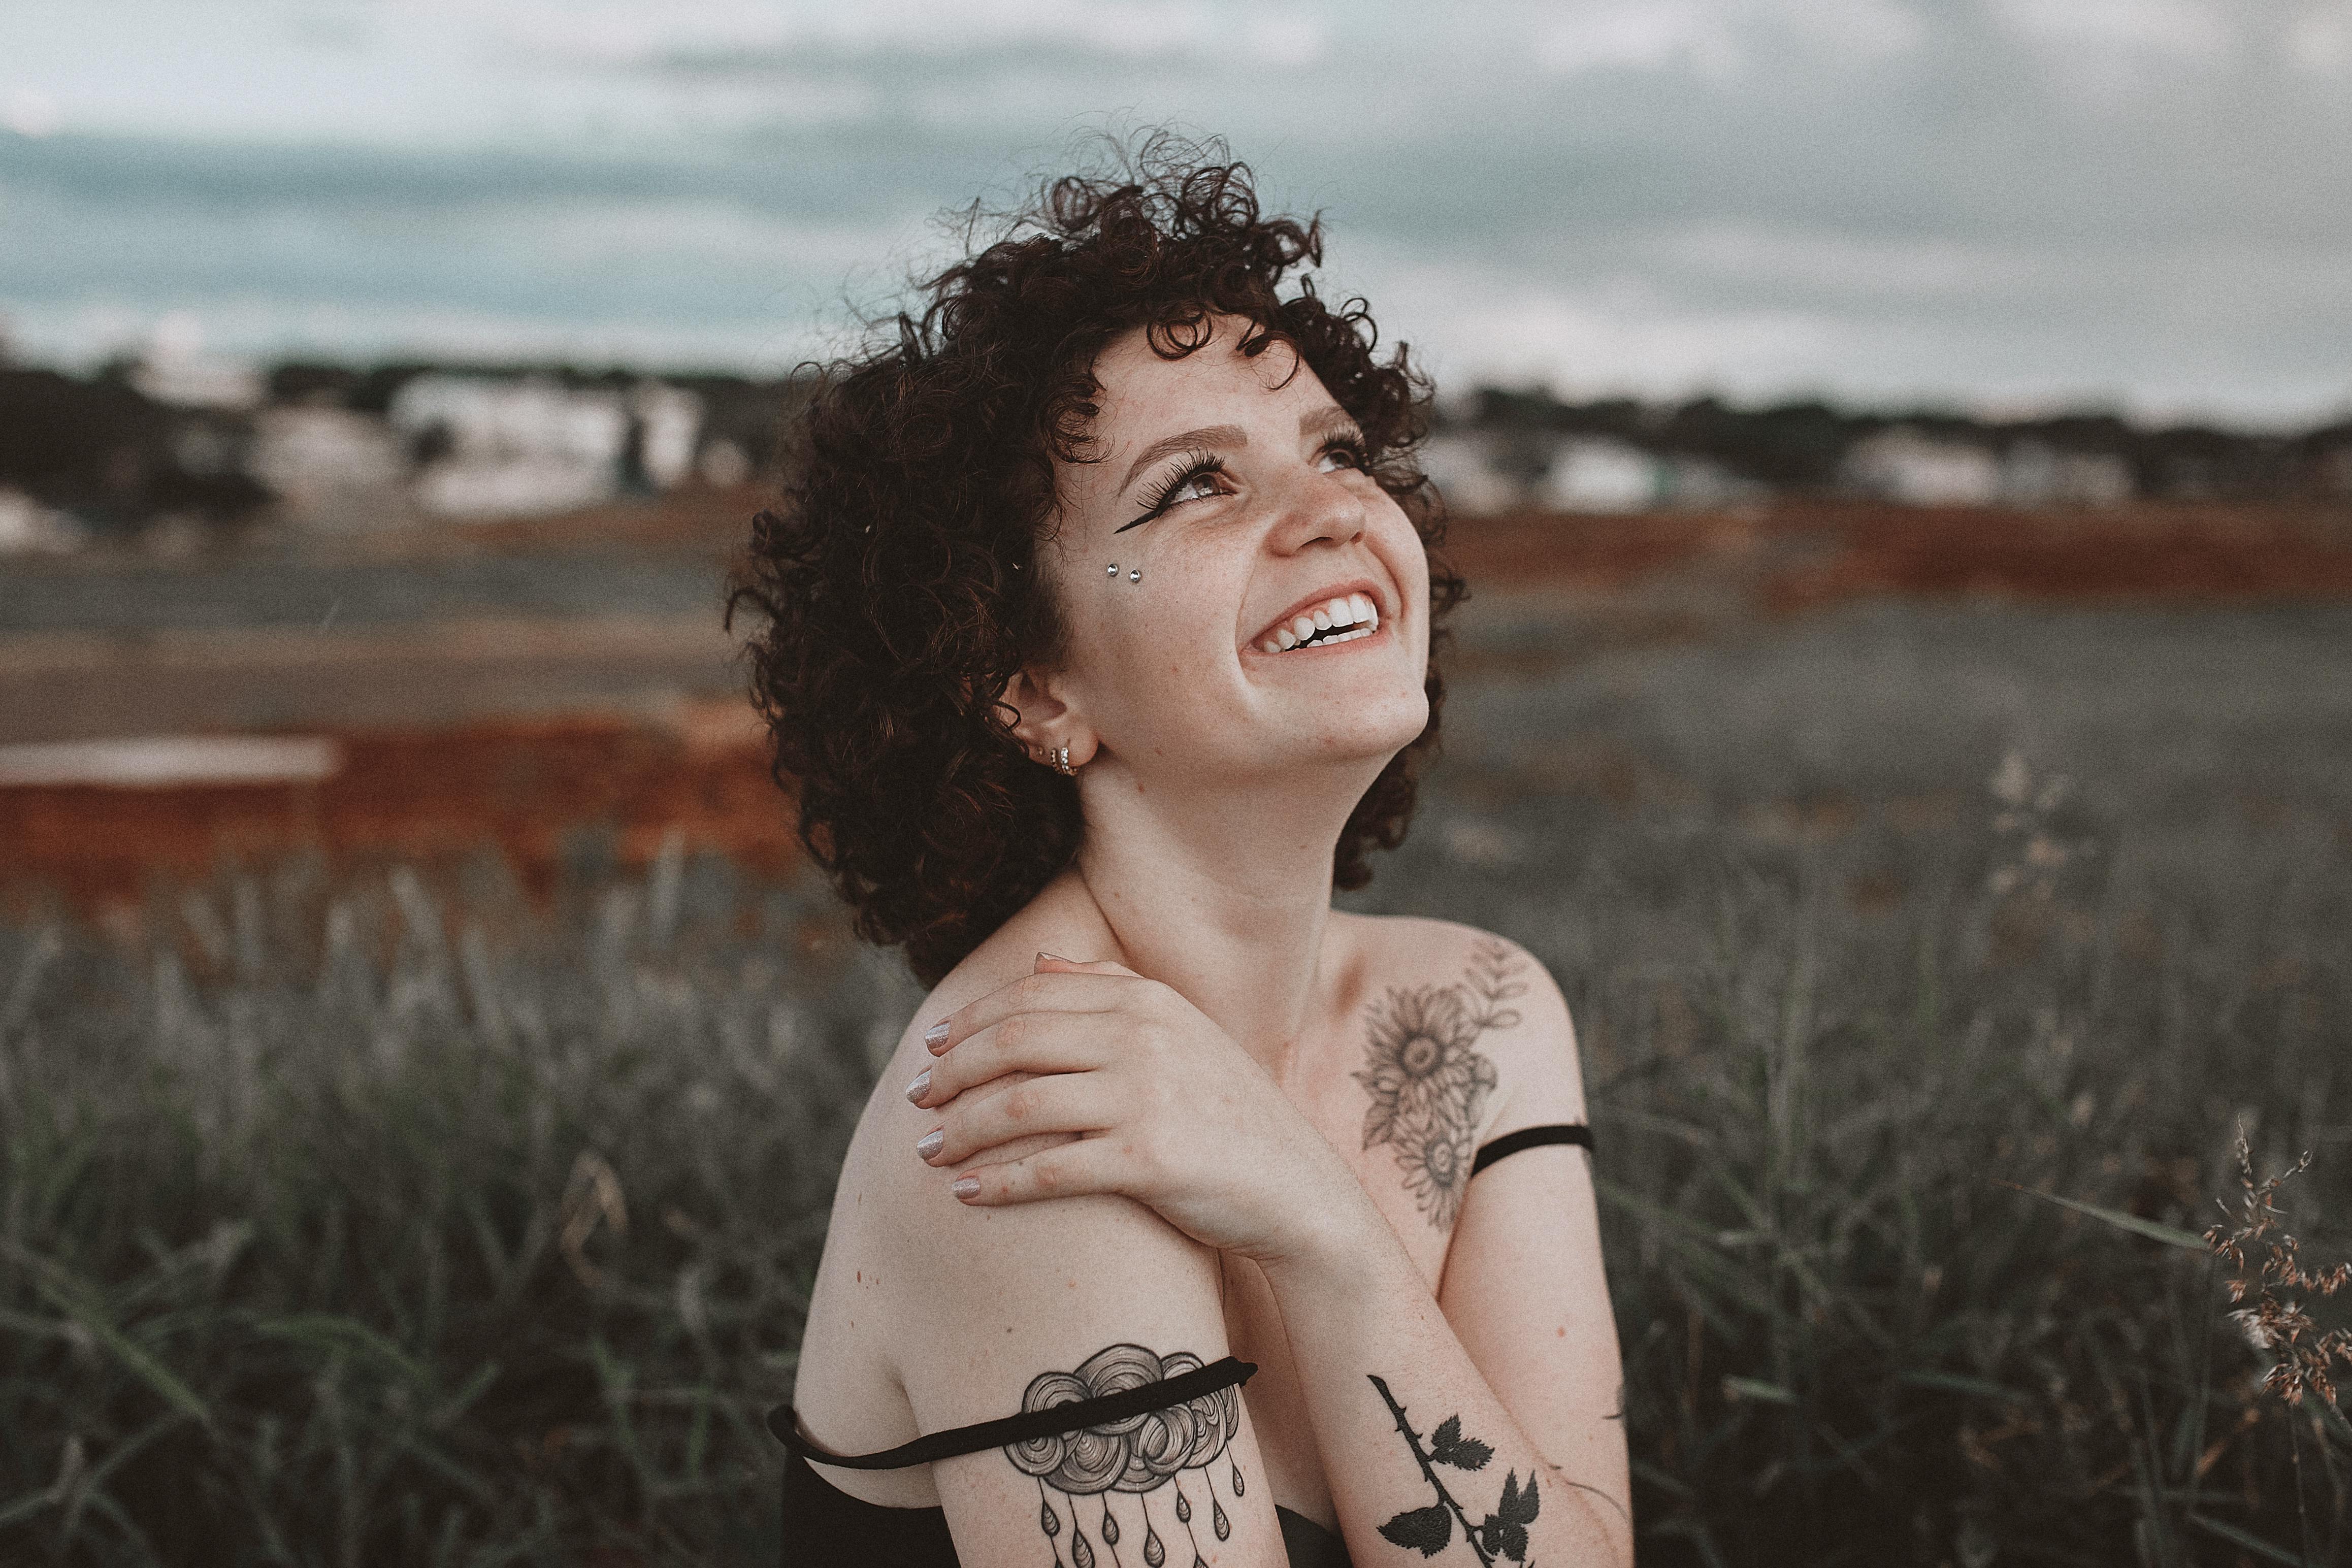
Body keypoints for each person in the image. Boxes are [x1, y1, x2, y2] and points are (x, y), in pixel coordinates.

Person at [727, 134, 1629, 1568]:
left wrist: (1324, 1235)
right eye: (1196, 484)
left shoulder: (1479, 1012)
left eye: (1338, 451)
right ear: (1032, 687)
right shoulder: (1028, 1119)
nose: (1336, 511)